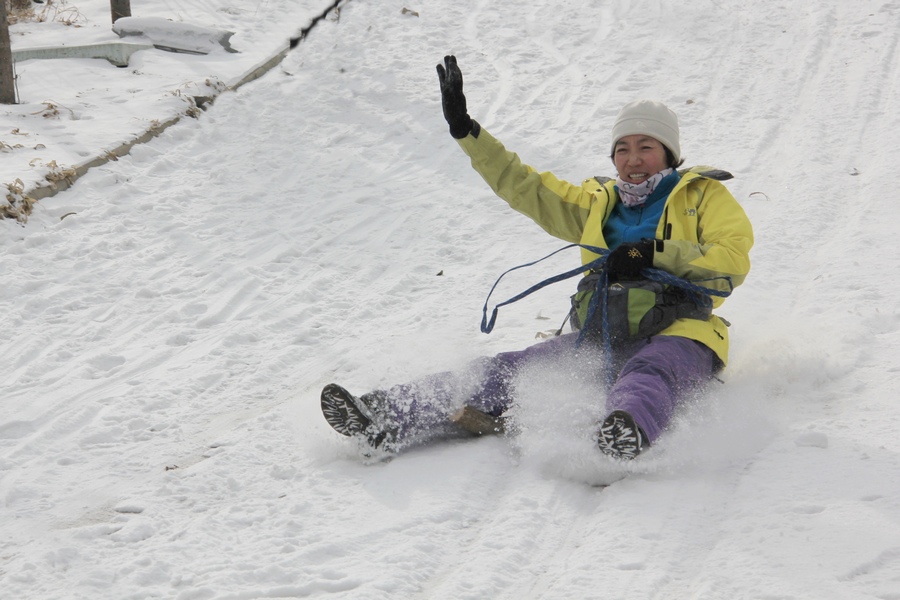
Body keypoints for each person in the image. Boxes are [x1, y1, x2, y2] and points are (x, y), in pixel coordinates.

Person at [320, 55, 753, 460]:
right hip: (601, 335)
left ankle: (627, 431)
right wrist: (466, 131)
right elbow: (525, 186)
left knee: (650, 370)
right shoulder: (598, 201)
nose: (633, 159)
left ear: (669, 154)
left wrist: (653, 252)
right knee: (506, 371)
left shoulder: (703, 195)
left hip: (680, 332)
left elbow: (731, 257)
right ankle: (382, 413)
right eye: (623, 148)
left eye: (646, 146)